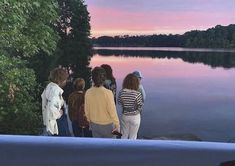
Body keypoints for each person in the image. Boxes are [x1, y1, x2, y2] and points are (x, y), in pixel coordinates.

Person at [85, 66, 120, 138]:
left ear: (93, 79)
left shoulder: (88, 92)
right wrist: (117, 124)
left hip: (94, 124)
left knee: (97, 147)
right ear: (104, 79)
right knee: (110, 147)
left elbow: (87, 110)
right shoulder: (108, 93)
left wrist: (89, 121)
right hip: (107, 126)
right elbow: (112, 111)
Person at [41, 67, 69, 136]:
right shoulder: (56, 91)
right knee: (63, 143)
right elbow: (52, 107)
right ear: (60, 80)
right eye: (65, 79)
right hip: (57, 122)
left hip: (49, 121)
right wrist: (59, 114)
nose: (66, 81)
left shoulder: (49, 87)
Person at [118, 73, 143, 139]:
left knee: (123, 135)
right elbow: (140, 106)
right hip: (135, 117)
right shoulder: (137, 94)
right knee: (133, 137)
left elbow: (119, 102)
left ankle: (123, 148)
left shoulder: (121, 92)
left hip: (125, 115)